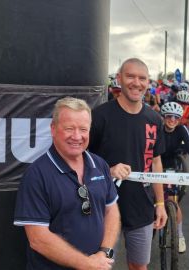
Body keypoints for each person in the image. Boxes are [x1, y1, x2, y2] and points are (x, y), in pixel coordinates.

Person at [14, 97, 120, 270]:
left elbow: (111, 210)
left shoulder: (99, 165)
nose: (77, 136)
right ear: (53, 129)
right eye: (69, 128)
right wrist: (87, 264)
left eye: (83, 129)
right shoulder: (37, 175)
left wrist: (104, 253)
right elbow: (38, 239)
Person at [89, 58, 167, 270]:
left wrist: (160, 203)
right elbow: (81, 158)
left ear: (148, 82)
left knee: (138, 266)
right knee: (98, 265)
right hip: (102, 206)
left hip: (140, 206)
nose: (136, 82)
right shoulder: (100, 116)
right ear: (119, 79)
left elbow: (156, 162)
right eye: (130, 76)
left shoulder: (154, 119)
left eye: (142, 78)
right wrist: (108, 170)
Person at [159, 102, 189, 253]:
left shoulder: (181, 129)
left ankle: (180, 236)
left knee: (173, 200)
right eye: (169, 116)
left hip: (172, 164)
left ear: (179, 119)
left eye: (176, 117)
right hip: (156, 164)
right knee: (152, 200)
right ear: (164, 117)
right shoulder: (158, 128)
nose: (172, 120)